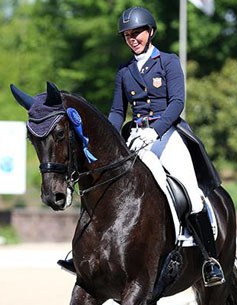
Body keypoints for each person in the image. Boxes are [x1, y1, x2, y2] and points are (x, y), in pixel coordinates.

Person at [58, 6, 224, 287]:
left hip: (168, 135)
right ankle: (85, 254)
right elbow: (116, 111)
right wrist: (108, 140)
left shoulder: (168, 62)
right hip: (135, 137)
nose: (132, 38)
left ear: (150, 32)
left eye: (137, 33)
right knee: (103, 184)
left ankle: (210, 260)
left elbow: (177, 104)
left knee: (191, 193)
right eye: (127, 35)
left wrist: (155, 132)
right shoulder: (124, 71)